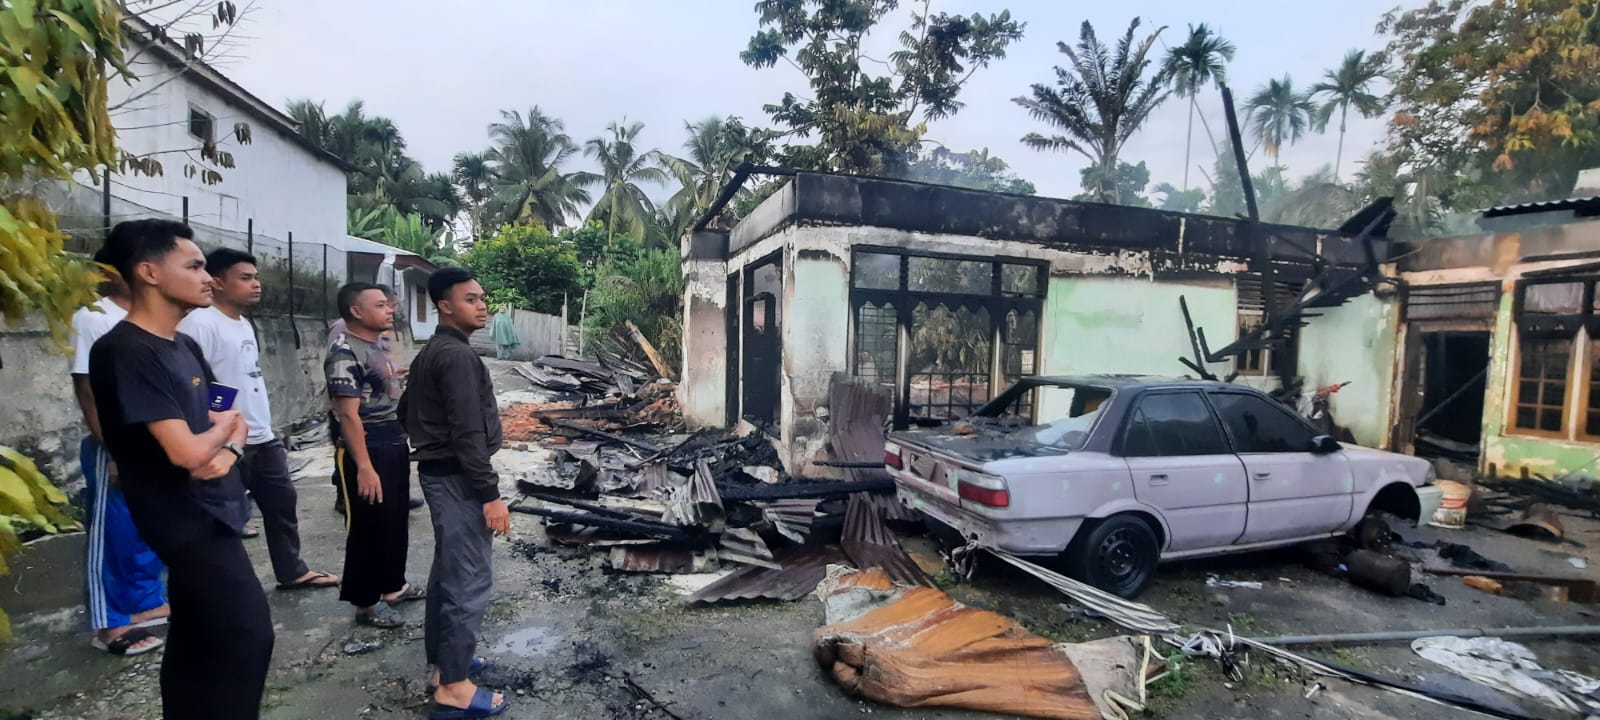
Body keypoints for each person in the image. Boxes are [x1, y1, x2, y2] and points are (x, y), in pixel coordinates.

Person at [88, 219, 272, 720]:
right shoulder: (126, 350)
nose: (207, 276)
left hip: (216, 507)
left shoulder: (182, 344)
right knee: (247, 635)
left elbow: (225, 405)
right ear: (148, 272)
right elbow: (186, 453)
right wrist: (218, 437)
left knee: (194, 632)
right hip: (182, 519)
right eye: (193, 266)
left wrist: (228, 447)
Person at [180, 248, 340, 592]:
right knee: (224, 517)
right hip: (222, 438)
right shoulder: (199, 323)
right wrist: (220, 420)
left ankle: (292, 571)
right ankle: (219, 586)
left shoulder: (243, 323)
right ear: (218, 282)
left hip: (261, 434)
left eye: (256, 277)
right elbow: (196, 381)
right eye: (245, 278)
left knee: (282, 502)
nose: (256, 285)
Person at [403, 267, 510, 718]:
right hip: (459, 480)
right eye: (471, 298)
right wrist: (489, 494)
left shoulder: (435, 352)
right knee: (468, 580)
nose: (482, 305)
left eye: (483, 297)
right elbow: (467, 432)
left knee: (448, 574)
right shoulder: (456, 357)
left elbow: (405, 409)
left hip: (442, 473)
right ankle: (454, 688)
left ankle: (445, 667)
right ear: (445, 306)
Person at [70, 247, 169, 656]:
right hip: (113, 445)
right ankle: (108, 622)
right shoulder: (94, 317)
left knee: (146, 529)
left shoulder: (155, 319)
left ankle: (145, 604)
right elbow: (87, 389)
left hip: (153, 444)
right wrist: (113, 450)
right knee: (112, 534)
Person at [326, 282, 423, 628]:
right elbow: (348, 414)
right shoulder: (343, 351)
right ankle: (365, 602)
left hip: (392, 440)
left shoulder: (374, 345)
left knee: (394, 519)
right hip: (367, 446)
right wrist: (364, 467)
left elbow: (374, 385)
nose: (390, 310)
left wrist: (397, 377)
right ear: (356, 311)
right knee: (368, 526)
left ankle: (393, 587)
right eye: (381, 305)